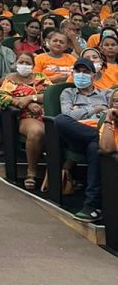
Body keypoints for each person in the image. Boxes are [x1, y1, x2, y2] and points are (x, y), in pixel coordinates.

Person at [53, 58, 108, 223]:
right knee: (60, 120)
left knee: (95, 147)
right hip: (76, 137)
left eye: (86, 72)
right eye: (78, 71)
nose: (81, 75)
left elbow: (111, 114)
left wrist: (80, 112)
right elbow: (68, 115)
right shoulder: (68, 93)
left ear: (94, 76)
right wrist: (95, 109)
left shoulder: (106, 94)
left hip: (100, 136)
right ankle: (98, 138)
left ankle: (92, 206)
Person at [0, 52, 47, 191]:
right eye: (21, 62)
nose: (24, 65)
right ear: (16, 63)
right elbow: (1, 98)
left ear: (33, 66)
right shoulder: (11, 79)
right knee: (36, 131)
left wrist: (31, 98)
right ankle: (31, 172)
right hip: (25, 116)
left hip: (47, 114)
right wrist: (21, 103)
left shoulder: (41, 78)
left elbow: (50, 95)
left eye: (28, 63)